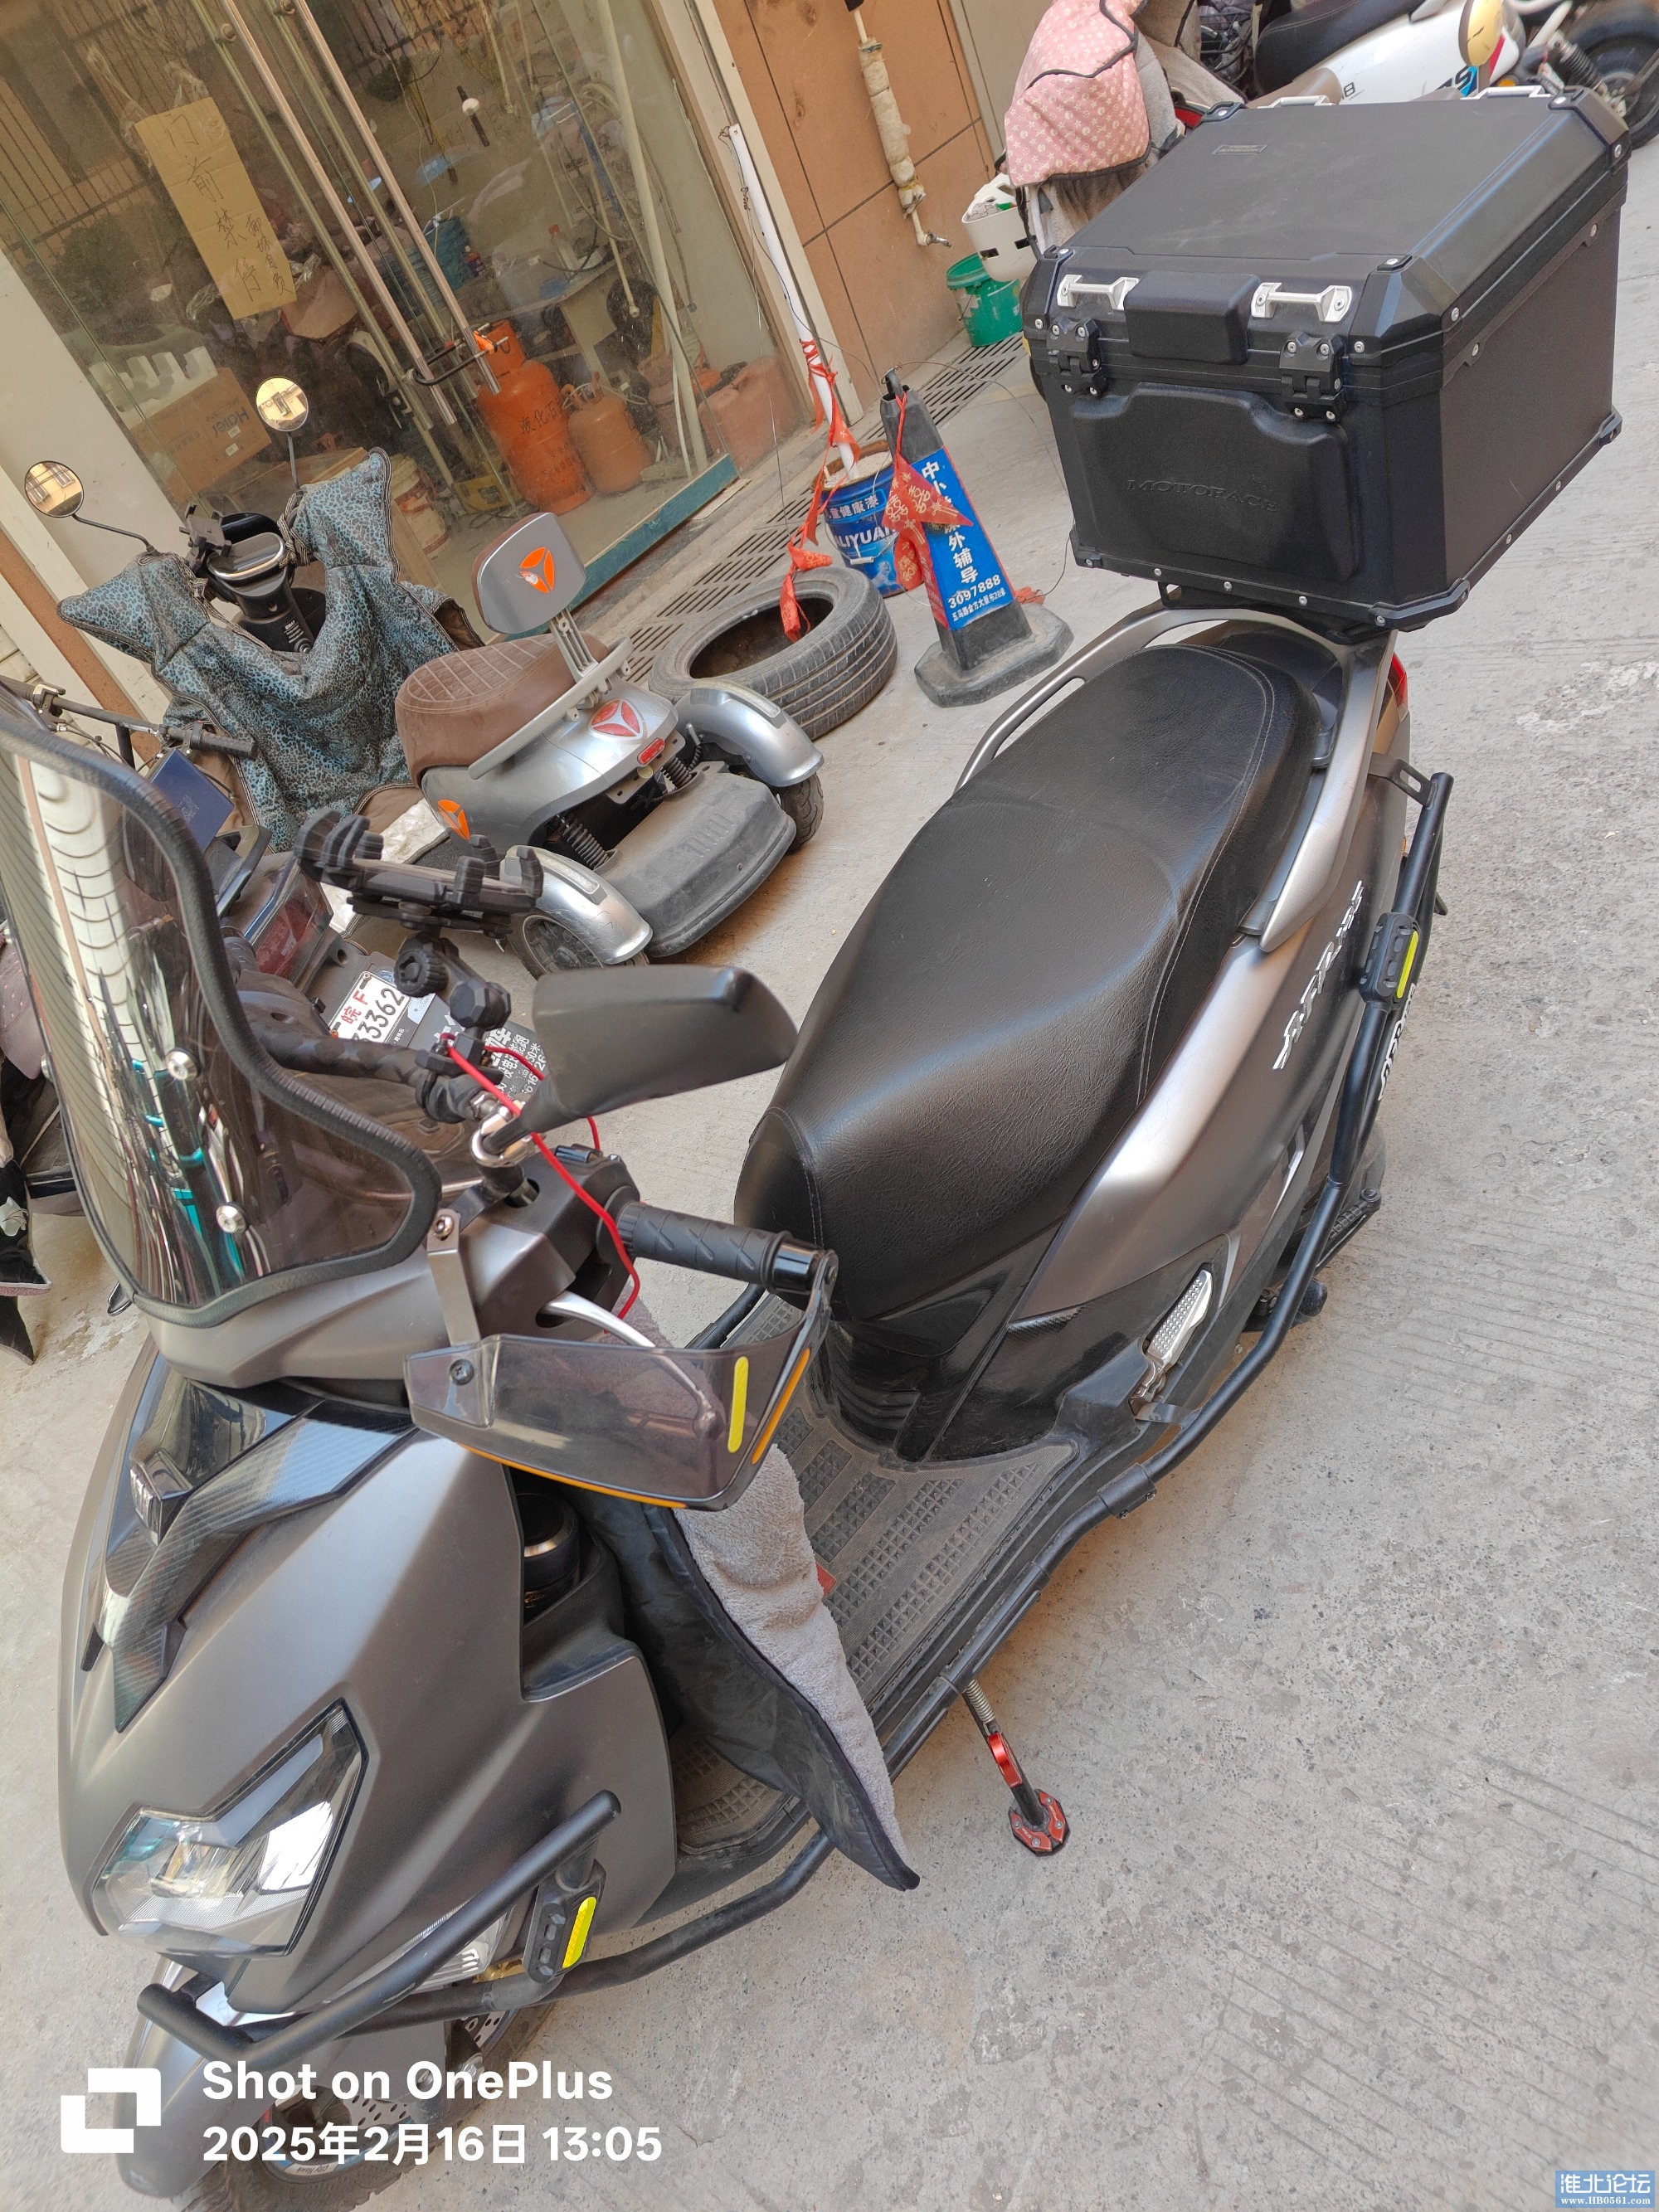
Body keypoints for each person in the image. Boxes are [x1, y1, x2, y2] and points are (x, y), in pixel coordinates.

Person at [1005, 0, 1233, 250]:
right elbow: (1166, 133)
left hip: (1070, 158)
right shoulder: (1126, 47)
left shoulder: (1061, 40)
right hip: (1144, 191)